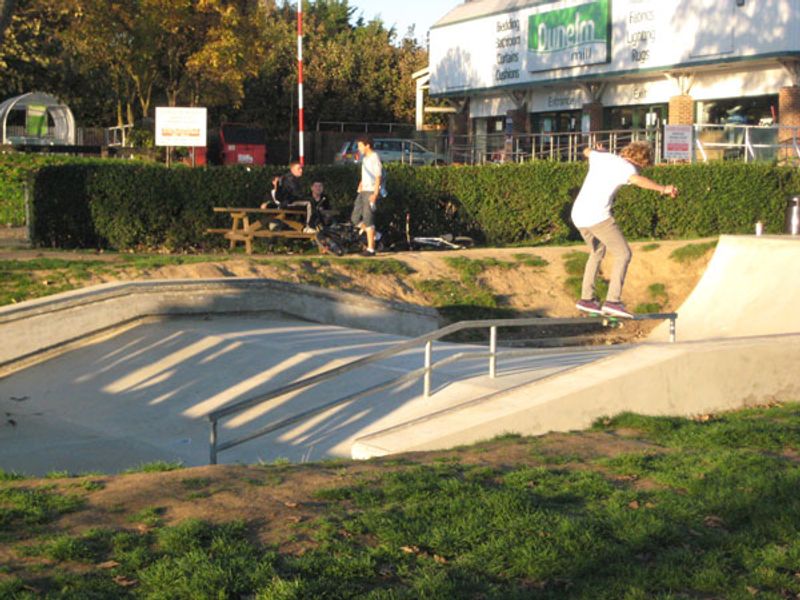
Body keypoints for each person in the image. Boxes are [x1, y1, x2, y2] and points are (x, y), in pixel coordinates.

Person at [572, 141, 678, 318]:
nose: (641, 170)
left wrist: (600, 151)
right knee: (623, 254)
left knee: (597, 251)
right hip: (598, 217)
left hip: (579, 216)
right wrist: (663, 188)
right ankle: (613, 301)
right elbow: (637, 180)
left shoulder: (602, 157)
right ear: (641, 161)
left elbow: (586, 151)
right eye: (643, 166)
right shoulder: (627, 168)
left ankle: (586, 299)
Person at [261, 160, 315, 233]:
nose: (301, 170)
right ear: (292, 169)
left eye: (301, 168)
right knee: (309, 203)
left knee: (309, 204)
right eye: (299, 168)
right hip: (288, 203)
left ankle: (306, 226)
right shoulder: (290, 179)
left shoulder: (287, 178)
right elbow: (297, 194)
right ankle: (308, 227)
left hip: (287, 202)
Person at [351, 137, 383, 256]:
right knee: (355, 218)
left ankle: (371, 249)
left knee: (368, 219)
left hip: (370, 191)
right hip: (363, 190)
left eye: (360, 146)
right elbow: (366, 174)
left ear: (367, 145)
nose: (359, 148)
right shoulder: (365, 159)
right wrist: (361, 183)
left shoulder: (374, 157)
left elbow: (378, 176)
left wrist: (375, 194)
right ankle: (376, 235)